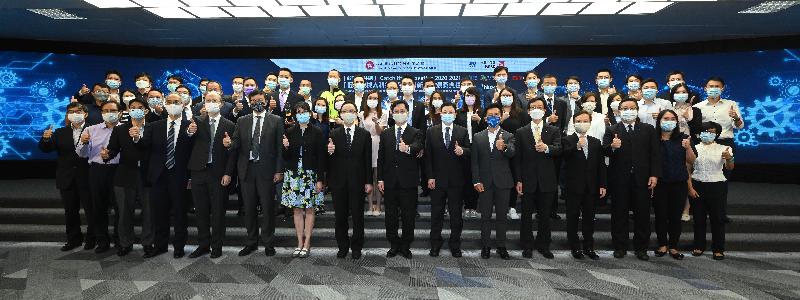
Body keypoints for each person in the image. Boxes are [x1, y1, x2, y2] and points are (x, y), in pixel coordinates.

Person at [223, 90, 284, 257]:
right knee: (248, 208)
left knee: (267, 208)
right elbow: (236, 143)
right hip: (247, 169)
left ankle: (268, 243)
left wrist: (279, 170)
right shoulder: (242, 121)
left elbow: (279, 148)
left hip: (267, 170)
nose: (258, 102)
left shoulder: (276, 120)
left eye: (261, 100)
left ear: (265, 101)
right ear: (250, 103)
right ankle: (251, 242)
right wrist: (228, 143)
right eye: (254, 100)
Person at [135, 93, 195, 259]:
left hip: (180, 176)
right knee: (159, 214)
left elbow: (193, 150)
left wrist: (191, 134)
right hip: (158, 176)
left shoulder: (190, 125)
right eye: (169, 102)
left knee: (180, 214)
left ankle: (179, 247)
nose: (173, 104)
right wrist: (135, 138)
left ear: (183, 104)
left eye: (176, 102)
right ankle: (160, 246)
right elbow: (144, 147)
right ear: (164, 104)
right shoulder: (154, 126)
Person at [603, 98, 661, 261]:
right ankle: (620, 246)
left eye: (632, 108)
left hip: (642, 179)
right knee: (619, 214)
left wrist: (654, 174)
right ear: (619, 111)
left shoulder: (648, 129)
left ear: (637, 110)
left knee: (642, 214)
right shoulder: (612, 129)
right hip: (619, 179)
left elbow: (655, 154)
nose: (629, 111)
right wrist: (612, 147)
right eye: (625, 108)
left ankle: (641, 248)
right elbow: (604, 151)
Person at [38, 102, 95, 251]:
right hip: (66, 177)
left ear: (85, 114)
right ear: (67, 115)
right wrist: (45, 139)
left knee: (92, 211)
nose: (74, 114)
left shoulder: (94, 129)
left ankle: (92, 239)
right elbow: (46, 149)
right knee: (70, 211)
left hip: (88, 177)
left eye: (78, 111)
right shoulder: (60, 132)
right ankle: (73, 239)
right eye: (71, 111)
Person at [186, 92, 236, 259]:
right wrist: (189, 133)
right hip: (198, 172)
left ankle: (217, 246)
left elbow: (233, 153)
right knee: (200, 211)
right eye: (208, 101)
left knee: (218, 212)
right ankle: (203, 245)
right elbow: (186, 146)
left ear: (221, 104)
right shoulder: (196, 122)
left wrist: (228, 172)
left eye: (214, 101)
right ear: (203, 103)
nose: (211, 103)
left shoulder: (229, 124)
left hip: (218, 173)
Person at [514, 98, 561, 259]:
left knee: (545, 215)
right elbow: (517, 158)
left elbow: (559, 149)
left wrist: (547, 148)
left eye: (539, 107)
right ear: (528, 111)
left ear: (545, 110)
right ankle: (526, 245)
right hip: (527, 180)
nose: (536, 109)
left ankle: (544, 245)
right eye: (533, 107)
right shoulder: (521, 132)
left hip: (547, 180)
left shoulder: (553, 130)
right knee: (526, 216)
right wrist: (518, 180)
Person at [103, 99, 150, 257]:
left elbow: (155, 150)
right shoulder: (120, 130)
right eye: (133, 108)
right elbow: (113, 150)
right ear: (128, 111)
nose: (136, 110)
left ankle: (148, 243)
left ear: (146, 110)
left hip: (148, 176)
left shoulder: (154, 127)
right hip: (125, 175)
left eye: (140, 108)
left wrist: (138, 139)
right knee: (124, 213)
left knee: (149, 212)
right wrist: (106, 154)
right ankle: (125, 243)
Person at [693, 77, 743, 223]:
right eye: (710, 86)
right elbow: (696, 128)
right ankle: (699, 211)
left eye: (717, 86)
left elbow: (739, 126)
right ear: (705, 88)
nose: (713, 88)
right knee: (701, 176)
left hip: (725, 143)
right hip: (705, 144)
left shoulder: (731, 104)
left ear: (723, 88)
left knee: (723, 179)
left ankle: (720, 212)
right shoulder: (699, 106)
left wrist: (736, 117)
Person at [378, 100, 423, 259]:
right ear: (391, 113)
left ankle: (405, 245)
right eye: (396, 111)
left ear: (408, 112)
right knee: (390, 216)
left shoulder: (415, 132)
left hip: (408, 182)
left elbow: (418, 146)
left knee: (408, 215)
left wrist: (408, 149)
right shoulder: (386, 133)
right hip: (389, 182)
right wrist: (380, 179)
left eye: (402, 110)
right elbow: (381, 158)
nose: (399, 113)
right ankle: (394, 244)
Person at [280, 102, 326, 259]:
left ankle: (307, 243)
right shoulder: (290, 131)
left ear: (309, 112)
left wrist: (320, 179)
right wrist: (284, 147)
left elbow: (321, 158)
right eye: (298, 112)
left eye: (304, 111)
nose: (302, 114)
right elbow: (285, 158)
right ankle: (299, 243)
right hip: (293, 175)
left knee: (310, 209)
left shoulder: (317, 132)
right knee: (297, 210)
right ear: (295, 114)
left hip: (310, 175)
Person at [77, 100, 123, 254]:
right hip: (97, 171)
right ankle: (102, 241)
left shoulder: (125, 130)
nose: (109, 113)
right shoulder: (91, 129)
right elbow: (81, 154)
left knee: (119, 207)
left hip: (119, 170)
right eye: (106, 110)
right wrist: (83, 144)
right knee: (99, 207)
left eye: (113, 110)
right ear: (102, 113)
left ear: (120, 112)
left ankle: (120, 240)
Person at [471, 103, 516, 260]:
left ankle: (501, 246)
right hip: (484, 183)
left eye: (496, 115)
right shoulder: (478, 136)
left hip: (503, 182)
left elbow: (512, 154)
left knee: (502, 217)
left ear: (501, 116)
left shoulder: (509, 135)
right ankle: (485, 246)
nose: (493, 117)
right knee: (485, 217)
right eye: (490, 115)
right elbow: (474, 162)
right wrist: (476, 181)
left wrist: (503, 148)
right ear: (485, 118)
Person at [425, 102, 470, 258]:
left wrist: (462, 151)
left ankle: (455, 245)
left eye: (451, 112)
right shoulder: (431, 131)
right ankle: (435, 244)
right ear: (440, 114)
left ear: (455, 114)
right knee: (436, 214)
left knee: (456, 216)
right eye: (445, 112)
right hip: (437, 181)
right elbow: (428, 157)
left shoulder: (462, 131)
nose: (448, 114)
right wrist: (430, 176)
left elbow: (470, 152)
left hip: (456, 181)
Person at [328, 101, 372, 259]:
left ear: (356, 113)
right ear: (340, 114)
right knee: (340, 216)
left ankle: (357, 247)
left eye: (351, 110)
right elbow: (328, 160)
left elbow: (367, 159)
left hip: (358, 181)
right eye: (345, 111)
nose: (348, 113)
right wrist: (329, 152)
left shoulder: (364, 134)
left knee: (358, 216)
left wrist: (368, 182)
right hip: (338, 182)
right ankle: (342, 246)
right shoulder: (333, 133)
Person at [562, 111, 606, 260]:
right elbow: (564, 157)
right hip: (573, 187)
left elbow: (600, 165)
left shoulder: (595, 142)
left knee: (589, 218)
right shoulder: (567, 140)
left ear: (590, 122)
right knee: (572, 217)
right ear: (574, 123)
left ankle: (589, 247)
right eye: (579, 121)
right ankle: (575, 247)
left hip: (591, 187)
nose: (582, 123)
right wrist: (576, 146)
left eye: (585, 120)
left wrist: (602, 184)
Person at [653, 110, 696, 260]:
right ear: (659, 120)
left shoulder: (684, 138)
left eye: (672, 118)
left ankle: (673, 246)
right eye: (666, 118)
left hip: (678, 183)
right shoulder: (653, 138)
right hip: (659, 183)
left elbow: (692, 161)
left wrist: (688, 147)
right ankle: (662, 244)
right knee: (660, 215)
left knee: (675, 216)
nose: (669, 121)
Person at [688, 121, 734, 260]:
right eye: (705, 131)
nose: (707, 134)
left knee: (718, 218)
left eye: (711, 132)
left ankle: (718, 248)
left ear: (717, 134)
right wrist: (690, 188)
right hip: (697, 183)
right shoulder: (693, 147)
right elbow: (688, 169)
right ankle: (698, 245)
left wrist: (729, 158)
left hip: (717, 185)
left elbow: (730, 167)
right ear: (699, 134)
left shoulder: (724, 148)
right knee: (698, 218)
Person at [496, 87, 529, 220]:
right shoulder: (495, 112)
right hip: (497, 150)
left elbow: (525, 131)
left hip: (515, 150)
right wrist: (501, 120)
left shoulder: (521, 113)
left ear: (513, 97)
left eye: (509, 95)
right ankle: (501, 207)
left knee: (514, 178)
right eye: (503, 95)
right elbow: (486, 128)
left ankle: (512, 207)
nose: (506, 97)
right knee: (500, 179)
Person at [455, 87, 484, 219]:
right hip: (464, 149)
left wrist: (479, 120)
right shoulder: (459, 113)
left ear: (477, 97)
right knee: (465, 178)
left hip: (479, 148)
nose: (469, 97)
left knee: (476, 178)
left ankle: (475, 206)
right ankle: (467, 207)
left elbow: (488, 129)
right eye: (467, 95)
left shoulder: (482, 112)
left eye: (472, 95)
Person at [358, 90, 388, 216]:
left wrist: (376, 122)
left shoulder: (384, 113)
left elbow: (381, 132)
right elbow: (360, 131)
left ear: (379, 100)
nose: (372, 100)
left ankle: (379, 206)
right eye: (370, 97)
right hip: (365, 145)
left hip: (379, 144)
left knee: (378, 177)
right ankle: (370, 205)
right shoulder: (361, 114)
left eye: (375, 98)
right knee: (368, 178)